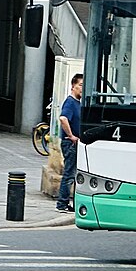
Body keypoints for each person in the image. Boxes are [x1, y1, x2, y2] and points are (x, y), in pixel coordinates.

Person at [56, 73, 83, 213]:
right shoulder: (70, 102)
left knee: (73, 174)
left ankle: (67, 203)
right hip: (70, 144)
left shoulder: (78, 103)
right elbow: (63, 118)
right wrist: (71, 135)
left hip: (76, 143)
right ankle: (62, 204)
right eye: (80, 85)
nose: (82, 89)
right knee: (69, 174)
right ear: (73, 86)